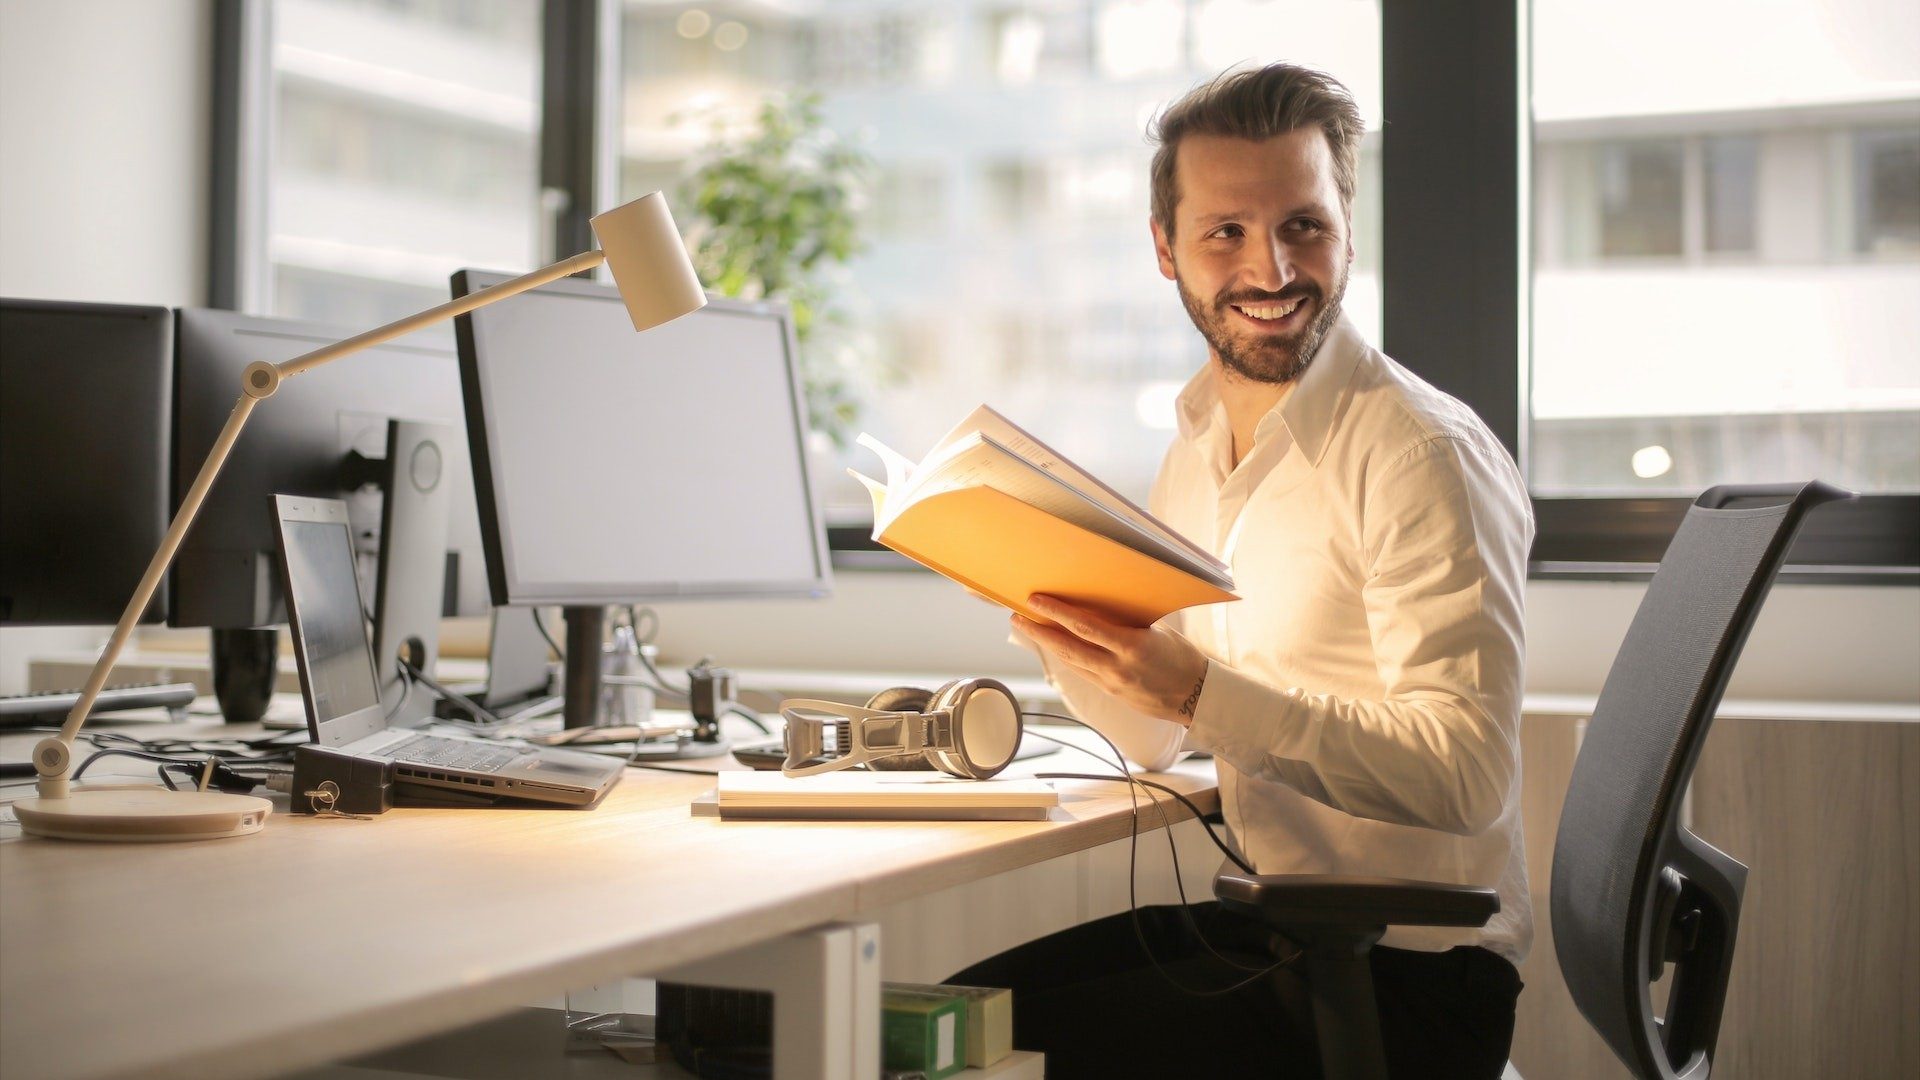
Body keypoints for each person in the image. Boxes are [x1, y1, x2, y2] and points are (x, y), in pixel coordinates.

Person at [949, 63, 1534, 1079]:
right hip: (1280, 936)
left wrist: (1200, 688)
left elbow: (1466, 776)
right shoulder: (1200, 439)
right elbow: (1150, 738)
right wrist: (1054, 617)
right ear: (1165, 250)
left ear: (1347, 225)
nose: (1271, 269)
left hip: (1408, 989)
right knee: (939, 1021)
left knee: (947, 1057)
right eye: (1226, 232)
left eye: (1303, 224)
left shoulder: (1419, 453)